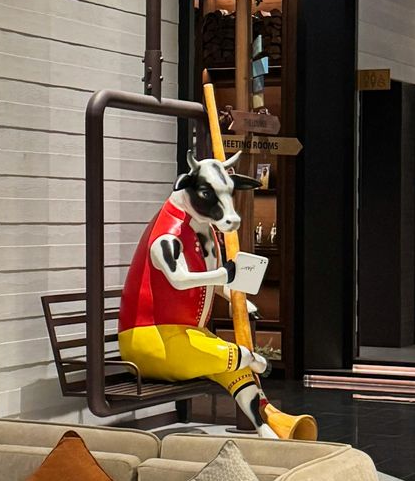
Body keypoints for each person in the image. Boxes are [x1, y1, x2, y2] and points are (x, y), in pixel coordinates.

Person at [118, 153, 312, 438]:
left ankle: (268, 428)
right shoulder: (167, 235)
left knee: (234, 370)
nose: (228, 213)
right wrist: (226, 277)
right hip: (148, 339)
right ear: (188, 187)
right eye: (210, 195)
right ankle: (247, 358)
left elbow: (210, 275)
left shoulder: (203, 228)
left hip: (185, 335)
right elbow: (180, 279)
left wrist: (235, 296)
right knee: (232, 356)